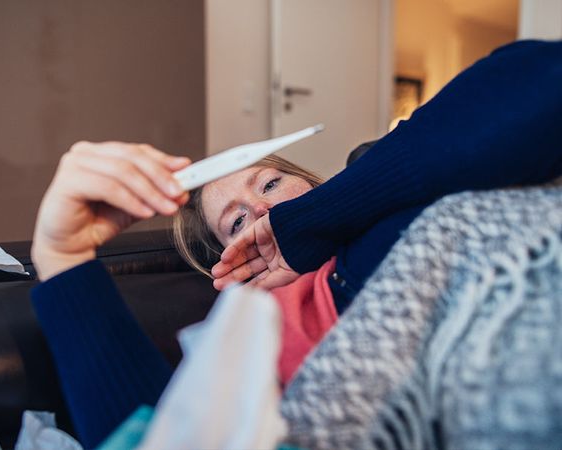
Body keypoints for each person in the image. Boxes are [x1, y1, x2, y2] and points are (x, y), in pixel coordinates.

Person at [31, 39, 562, 448]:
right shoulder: (265, 323)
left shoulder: (384, 184)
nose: (263, 210)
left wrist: (316, 220)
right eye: (237, 224)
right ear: (233, 264)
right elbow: (166, 437)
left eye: (269, 184)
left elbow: (542, 80)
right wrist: (64, 258)